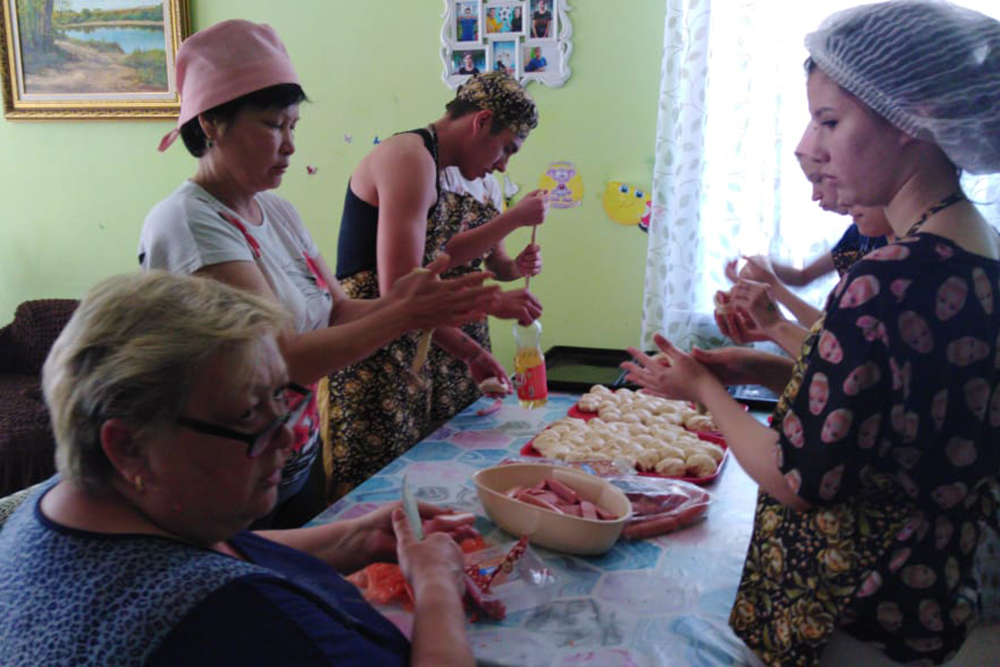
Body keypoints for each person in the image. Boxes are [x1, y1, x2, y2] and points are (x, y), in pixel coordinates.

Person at [624, 2, 1000, 664]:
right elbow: (889, 413)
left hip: (852, 598)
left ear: (916, 118)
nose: (806, 146)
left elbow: (799, 476)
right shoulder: (979, 254)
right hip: (933, 588)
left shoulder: (886, 279)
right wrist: (761, 362)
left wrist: (707, 391)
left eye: (830, 120)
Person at [0, 271, 477, 666]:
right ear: (128, 446)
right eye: (248, 413)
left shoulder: (63, 500)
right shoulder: (230, 622)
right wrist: (437, 588)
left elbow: (190, 553)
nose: (287, 436)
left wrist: (352, 539)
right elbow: (200, 579)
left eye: (278, 397)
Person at [140, 20, 498, 528]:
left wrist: (423, 306)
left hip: (290, 453)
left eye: (293, 127)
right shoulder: (188, 223)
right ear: (213, 124)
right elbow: (278, 362)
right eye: (271, 125)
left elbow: (339, 310)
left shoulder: (278, 212)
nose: (289, 145)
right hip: (219, 473)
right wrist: (402, 315)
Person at [328, 72, 545, 500]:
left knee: (426, 480)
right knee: (376, 492)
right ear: (481, 121)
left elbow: (444, 265)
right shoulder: (409, 157)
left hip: (420, 337)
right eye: (506, 149)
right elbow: (401, 295)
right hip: (374, 341)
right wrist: (477, 339)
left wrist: (472, 351)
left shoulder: (448, 169)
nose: (503, 165)